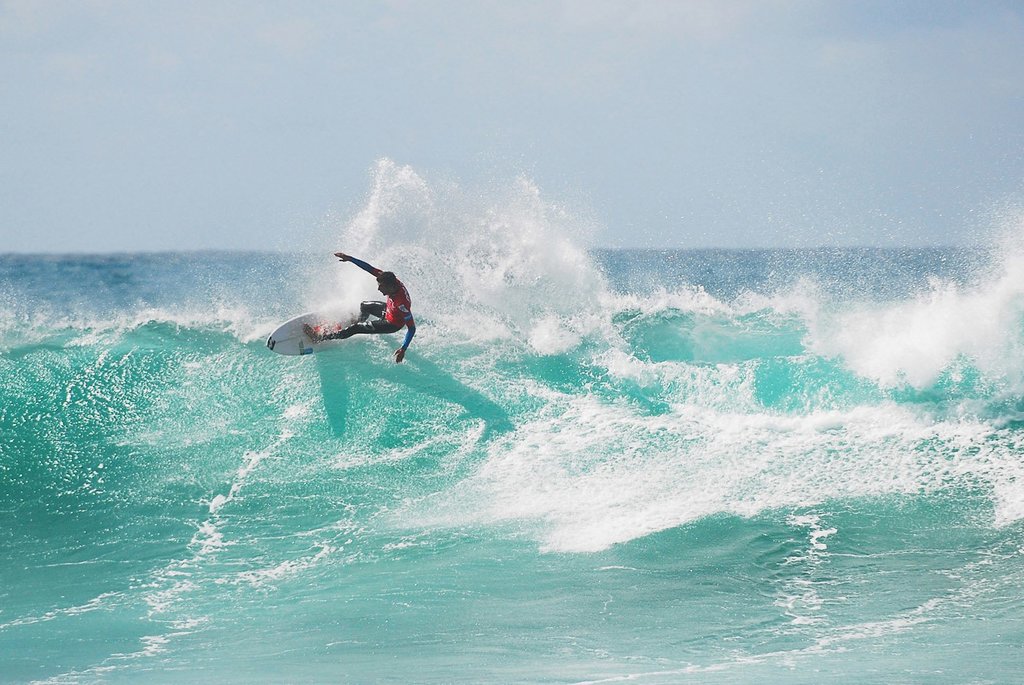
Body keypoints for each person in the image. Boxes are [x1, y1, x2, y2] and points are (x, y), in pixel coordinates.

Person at [303, 252, 416, 363]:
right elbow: (369, 268)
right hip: (388, 310)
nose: (378, 289)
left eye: (381, 287)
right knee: (364, 305)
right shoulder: (390, 279)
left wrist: (403, 349)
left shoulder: (402, 304)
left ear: (390, 287)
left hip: (391, 324)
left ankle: (319, 338)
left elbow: (411, 328)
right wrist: (350, 259)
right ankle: (359, 321)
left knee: (356, 328)